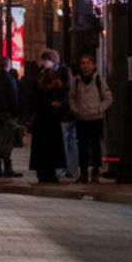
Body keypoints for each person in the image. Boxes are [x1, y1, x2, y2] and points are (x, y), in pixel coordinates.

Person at [68, 53, 112, 183]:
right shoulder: (76, 81)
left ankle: (95, 172)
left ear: (93, 66)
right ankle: (83, 173)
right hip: (81, 118)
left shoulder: (98, 80)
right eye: (83, 63)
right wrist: (76, 109)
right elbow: (72, 97)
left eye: (88, 63)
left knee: (95, 146)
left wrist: (99, 109)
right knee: (82, 147)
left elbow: (108, 98)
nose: (85, 66)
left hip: (95, 118)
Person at [40, 49, 78, 180]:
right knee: (69, 142)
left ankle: (65, 168)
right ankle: (70, 169)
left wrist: (60, 90)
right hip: (65, 111)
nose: (44, 63)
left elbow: (68, 89)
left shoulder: (62, 72)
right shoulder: (50, 72)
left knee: (65, 142)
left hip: (65, 112)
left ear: (52, 60)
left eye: (45, 60)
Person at [0, 56, 22, 178]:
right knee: (7, 140)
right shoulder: (9, 79)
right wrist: (16, 113)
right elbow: (13, 97)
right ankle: (7, 167)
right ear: (8, 65)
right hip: (8, 113)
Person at [29, 69, 66, 183]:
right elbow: (36, 106)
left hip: (52, 124)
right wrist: (50, 105)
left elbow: (62, 99)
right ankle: (43, 174)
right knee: (43, 151)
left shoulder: (54, 90)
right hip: (42, 124)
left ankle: (51, 173)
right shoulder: (37, 91)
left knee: (51, 150)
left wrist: (60, 88)